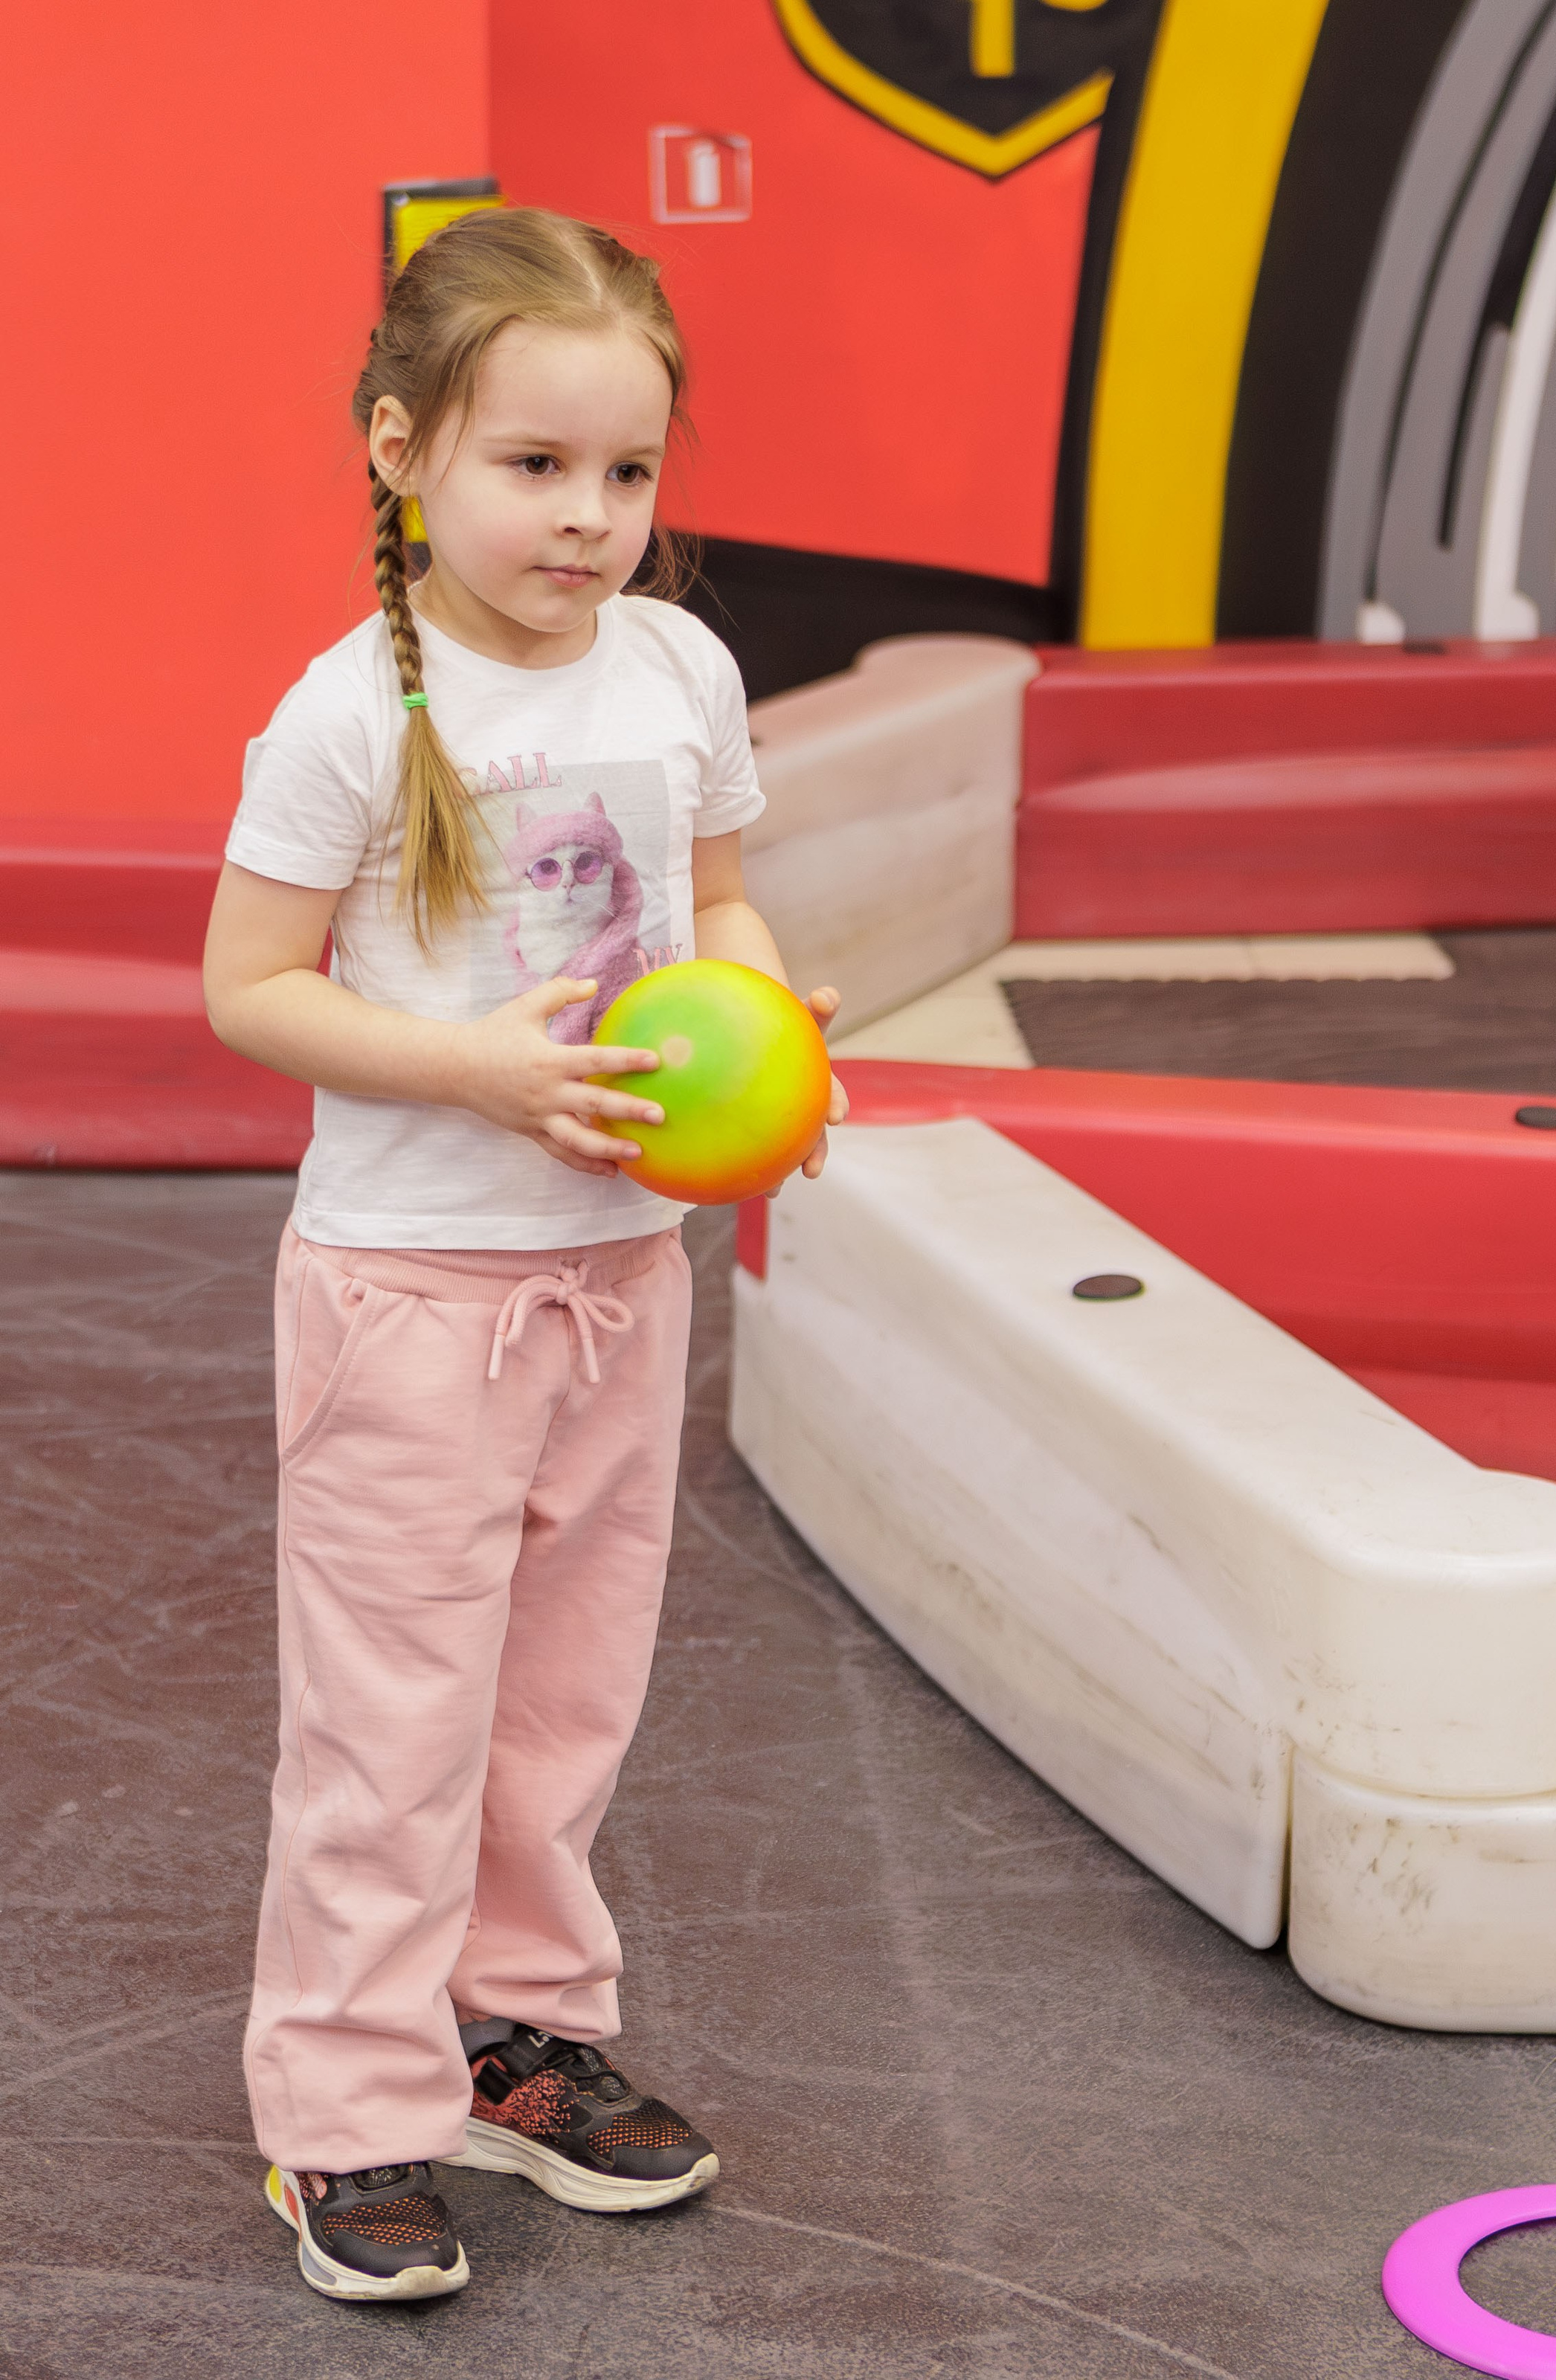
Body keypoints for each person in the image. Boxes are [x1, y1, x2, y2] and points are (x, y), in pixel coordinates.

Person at [202, 205, 846, 2304]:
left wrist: (767, 1037)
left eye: (629, 473)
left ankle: (511, 2046)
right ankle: (341, 2114)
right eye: (535, 465)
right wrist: (467, 1073)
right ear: (404, 450)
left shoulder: (678, 668)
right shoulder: (346, 716)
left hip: (617, 1282)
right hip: (414, 1299)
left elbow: (722, 905)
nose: (590, 518)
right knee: (394, 1727)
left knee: (564, 1704)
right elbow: (250, 990)